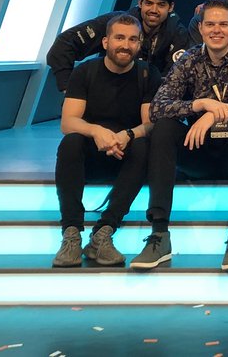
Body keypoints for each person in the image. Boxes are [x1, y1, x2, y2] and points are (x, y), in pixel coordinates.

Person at [131, 0, 228, 272]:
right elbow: (158, 107)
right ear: (201, 28)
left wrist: (216, 114)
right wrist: (200, 105)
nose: (216, 30)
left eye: (223, 24)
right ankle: (159, 234)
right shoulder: (190, 59)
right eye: (210, 24)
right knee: (164, 127)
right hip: (198, 151)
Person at [52, 14, 160, 268]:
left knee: (144, 145)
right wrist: (96, 131)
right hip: (91, 154)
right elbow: (68, 122)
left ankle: (104, 232)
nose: (125, 45)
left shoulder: (147, 74)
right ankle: (71, 233)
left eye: (132, 39)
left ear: (139, 44)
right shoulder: (84, 72)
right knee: (70, 143)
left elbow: (150, 124)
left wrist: (127, 135)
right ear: (105, 42)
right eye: (119, 38)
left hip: (126, 155)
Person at [47, 0, 190, 90]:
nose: (154, 10)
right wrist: (69, 89)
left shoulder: (179, 35)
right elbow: (63, 45)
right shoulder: (115, 23)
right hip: (106, 94)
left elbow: (174, 80)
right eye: (149, 3)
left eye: (161, 5)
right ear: (140, 3)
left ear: (171, 7)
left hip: (147, 104)